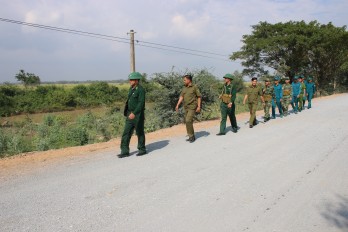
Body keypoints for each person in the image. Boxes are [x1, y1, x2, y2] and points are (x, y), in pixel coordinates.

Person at [118, 72, 147, 158]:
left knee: (139, 132)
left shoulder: (141, 90)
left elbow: (141, 104)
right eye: (130, 79)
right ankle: (124, 151)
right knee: (126, 133)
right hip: (129, 114)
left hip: (138, 114)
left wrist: (134, 113)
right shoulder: (131, 89)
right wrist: (129, 113)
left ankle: (142, 149)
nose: (130, 81)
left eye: (132, 80)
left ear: (137, 80)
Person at [175, 74, 201, 142]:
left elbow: (199, 97)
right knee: (187, 121)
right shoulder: (184, 87)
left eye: (185, 80)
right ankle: (190, 135)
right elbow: (181, 96)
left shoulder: (194, 87)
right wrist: (177, 105)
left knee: (188, 120)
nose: (183, 81)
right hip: (185, 107)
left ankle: (192, 136)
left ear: (189, 80)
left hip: (192, 106)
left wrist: (199, 106)